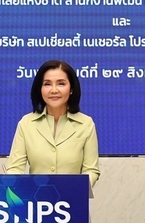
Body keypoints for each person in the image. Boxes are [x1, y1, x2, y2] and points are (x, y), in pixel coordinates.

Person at [5, 60, 100, 188]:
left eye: (61, 84)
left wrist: (78, 189)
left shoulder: (86, 124)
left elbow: (91, 170)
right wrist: (11, 181)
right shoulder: (26, 123)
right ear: (40, 89)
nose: (54, 90)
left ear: (71, 89)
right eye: (47, 84)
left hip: (72, 198)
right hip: (36, 198)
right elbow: (15, 168)